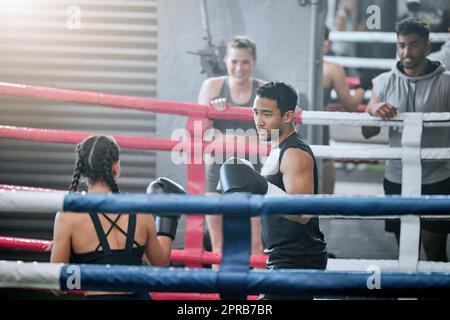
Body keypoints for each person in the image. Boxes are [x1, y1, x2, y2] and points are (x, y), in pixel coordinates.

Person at [217, 82, 328, 299]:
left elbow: (303, 213)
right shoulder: (277, 150)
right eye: (256, 112)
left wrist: (261, 187)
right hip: (283, 257)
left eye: (267, 114)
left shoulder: (294, 153)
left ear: (287, 116)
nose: (258, 121)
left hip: (296, 261)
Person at [50, 135, 184, 299]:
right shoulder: (141, 209)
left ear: (83, 170)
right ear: (116, 167)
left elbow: (56, 286)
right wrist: (167, 217)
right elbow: (161, 264)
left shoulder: (68, 216)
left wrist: (78, 264)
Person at [362, 18, 450, 262]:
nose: (406, 52)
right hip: (397, 176)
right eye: (401, 45)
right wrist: (374, 109)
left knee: (434, 248)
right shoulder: (383, 82)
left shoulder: (446, 83)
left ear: (427, 47)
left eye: (413, 45)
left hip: (437, 177)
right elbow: (366, 132)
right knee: (405, 250)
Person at [197, 35, 266, 260]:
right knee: (218, 247)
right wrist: (212, 111)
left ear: (253, 62)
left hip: (251, 172)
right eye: (234, 61)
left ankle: (258, 295)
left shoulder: (264, 91)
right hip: (217, 170)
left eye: (245, 62)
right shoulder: (212, 86)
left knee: (256, 245)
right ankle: (218, 295)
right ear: (226, 60)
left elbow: (277, 131)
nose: (239, 68)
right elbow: (199, 132)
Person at [322, 26, 371, 194]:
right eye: (324, 39)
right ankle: (325, 211)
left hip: (295, 125)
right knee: (325, 161)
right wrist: (363, 86)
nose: (328, 43)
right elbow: (350, 105)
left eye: (328, 38)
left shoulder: (292, 63)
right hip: (317, 127)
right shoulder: (332, 69)